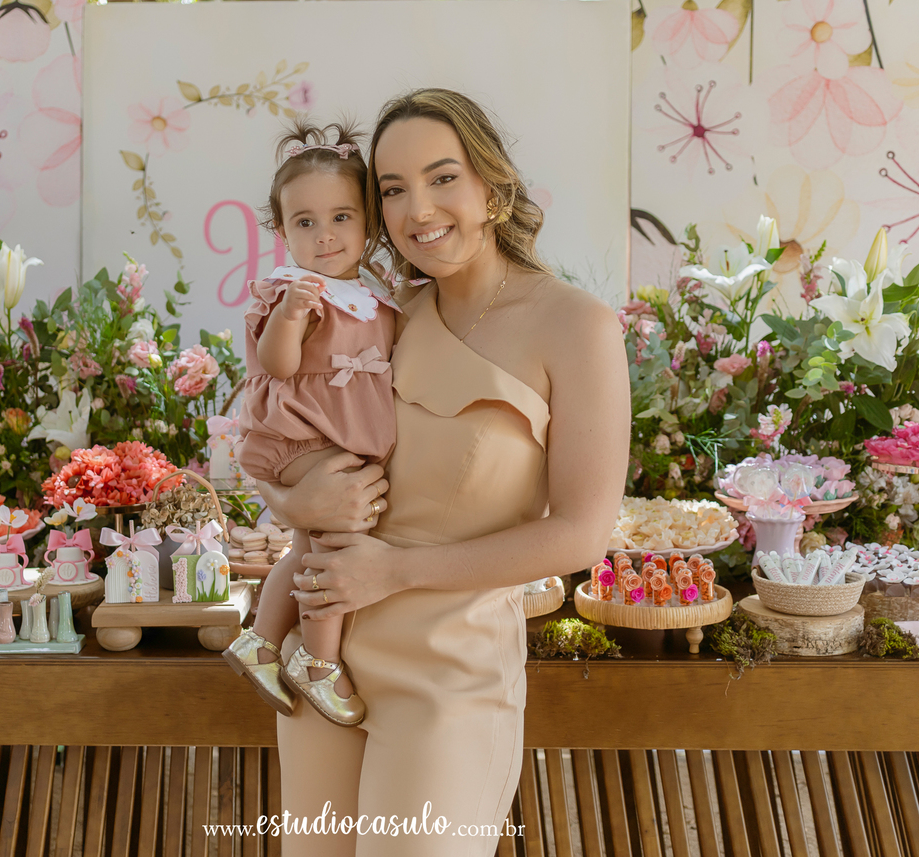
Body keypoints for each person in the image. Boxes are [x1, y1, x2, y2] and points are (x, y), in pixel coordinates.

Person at [257, 89, 631, 856]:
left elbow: (581, 533)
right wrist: (294, 501)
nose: (418, 209)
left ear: (492, 186)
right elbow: (275, 429)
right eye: (393, 189)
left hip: (449, 683)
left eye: (442, 177)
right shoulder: (379, 314)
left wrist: (394, 572)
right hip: (323, 663)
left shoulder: (577, 325)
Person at [223, 121, 400, 728]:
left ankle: (261, 642)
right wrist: (292, 317)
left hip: (331, 435)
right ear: (282, 232)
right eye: (305, 222)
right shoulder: (293, 291)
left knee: (304, 548)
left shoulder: (371, 292)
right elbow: (277, 364)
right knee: (337, 541)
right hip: (300, 435)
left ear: (368, 222)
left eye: (341, 217)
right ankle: (319, 661)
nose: (325, 235)